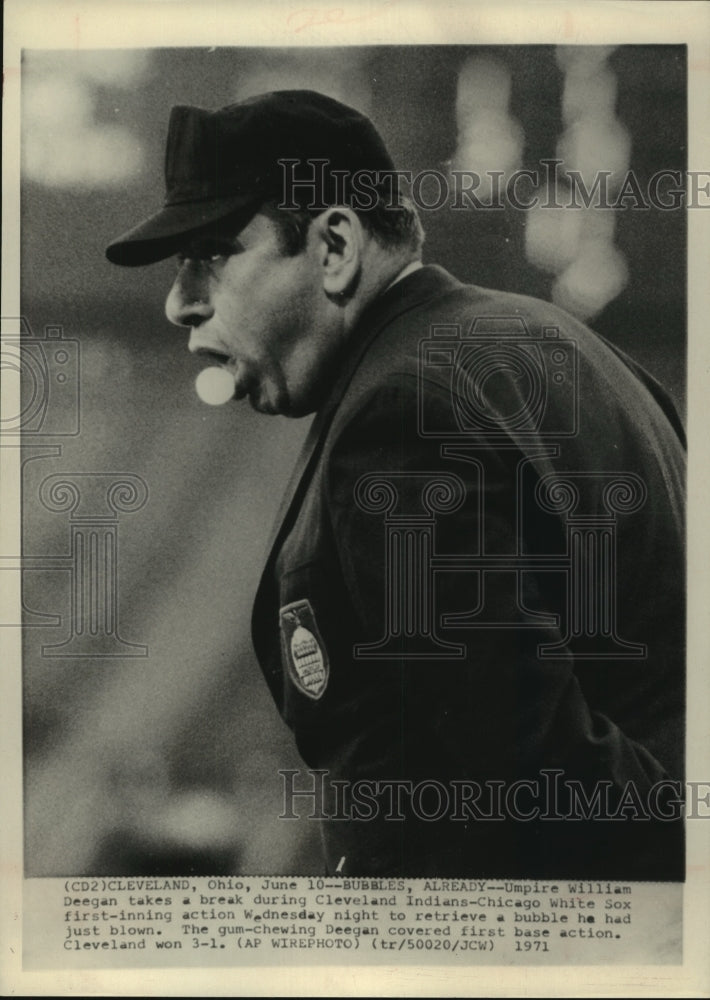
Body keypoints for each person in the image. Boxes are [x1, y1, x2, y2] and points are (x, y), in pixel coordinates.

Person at [106, 90, 685, 879]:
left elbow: (518, 788)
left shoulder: (402, 413)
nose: (181, 303)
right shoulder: (573, 350)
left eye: (211, 253)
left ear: (335, 246)